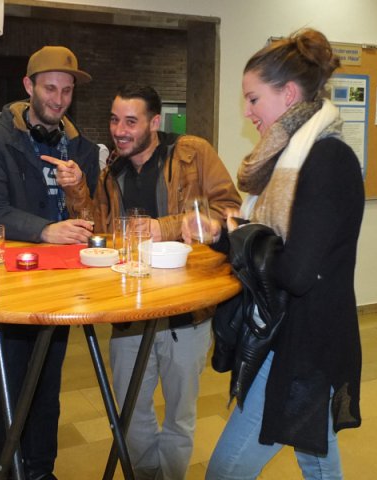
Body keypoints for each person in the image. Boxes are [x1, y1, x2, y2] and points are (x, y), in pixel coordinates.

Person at [204, 29, 364, 479]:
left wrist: (242, 236)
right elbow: (271, 243)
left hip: (304, 342)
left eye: (253, 99)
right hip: (291, 330)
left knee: (224, 472)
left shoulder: (326, 159)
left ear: (288, 94)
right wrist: (224, 235)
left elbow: (295, 271)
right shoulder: (288, 158)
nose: (247, 111)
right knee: (317, 459)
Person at [62, 83, 241, 479]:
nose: (119, 131)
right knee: (130, 413)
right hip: (130, 314)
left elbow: (229, 209)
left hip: (187, 313)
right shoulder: (112, 172)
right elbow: (98, 231)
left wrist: (166, 227)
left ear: (155, 122)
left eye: (131, 121)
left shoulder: (193, 154)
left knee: (180, 416)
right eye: (114, 120)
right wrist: (75, 189)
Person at [0, 45, 99, 479]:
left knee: (47, 388)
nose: (59, 99)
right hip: (8, 287)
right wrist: (45, 230)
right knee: (8, 390)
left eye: (67, 90)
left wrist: (78, 188)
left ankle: (42, 471)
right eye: (50, 88)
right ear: (29, 86)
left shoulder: (81, 147)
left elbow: (92, 218)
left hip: (60, 286)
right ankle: (7, 470)